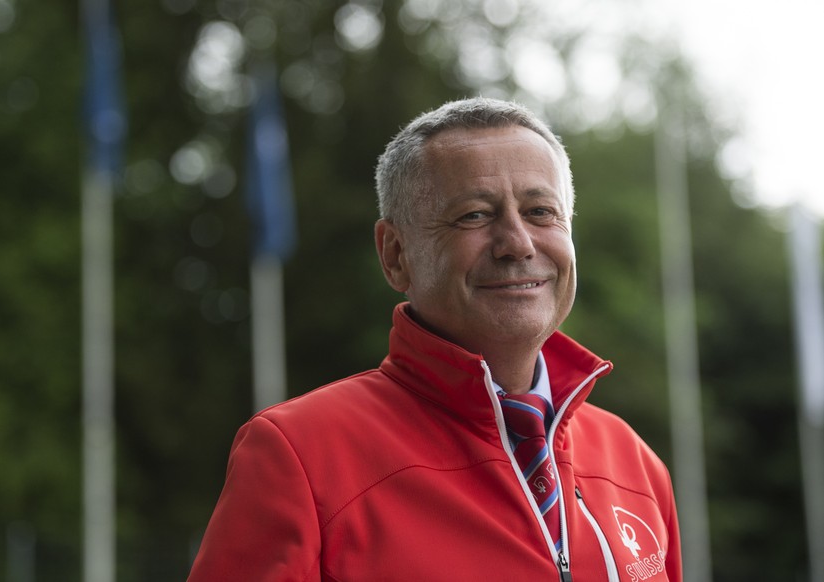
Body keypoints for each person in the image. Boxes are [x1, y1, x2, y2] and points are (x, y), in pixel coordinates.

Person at [188, 97, 682, 581]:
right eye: (474, 215)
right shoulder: (302, 455)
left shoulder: (633, 462)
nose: (517, 243)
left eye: (540, 211)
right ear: (395, 254)